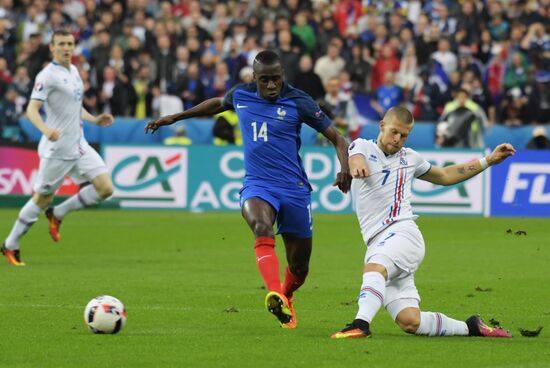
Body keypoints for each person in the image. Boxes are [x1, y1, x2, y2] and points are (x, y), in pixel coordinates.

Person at [145, 50, 352, 328]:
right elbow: (215, 104)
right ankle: (274, 292)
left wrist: (345, 167)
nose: (270, 86)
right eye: (264, 80)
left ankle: (286, 295)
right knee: (261, 225)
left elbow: (338, 138)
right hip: (258, 184)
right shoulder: (240, 95)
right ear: (254, 78)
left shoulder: (299, 101)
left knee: (300, 267)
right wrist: (174, 117)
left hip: (294, 188)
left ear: (283, 77)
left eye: (275, 80)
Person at [331, 106, 514, 339]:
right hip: (379, 241)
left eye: (404, 135)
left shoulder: (410, 158)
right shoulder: (362, 146)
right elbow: (354, 157)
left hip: (402, 234)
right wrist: (353, 167)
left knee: (375, 268)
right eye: (394, 132)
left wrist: (488, 160)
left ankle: (360, 324)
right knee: (410, 321)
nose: (397, 139)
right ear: (382, 126)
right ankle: (471, 327)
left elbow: (445, 175)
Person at [2, 30, 114, 266]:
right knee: (41, 199)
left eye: (70, 44)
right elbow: (32, 109)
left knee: (105, 188)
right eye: (61, 44)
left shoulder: (73, 71)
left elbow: (75, 106)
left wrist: (95, 120)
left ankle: (58, 214)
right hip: (58, 148)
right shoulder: (47, 76)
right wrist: (45, 130)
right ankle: (10, 245)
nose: (66, 48)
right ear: (52, 47)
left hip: (79, 144)